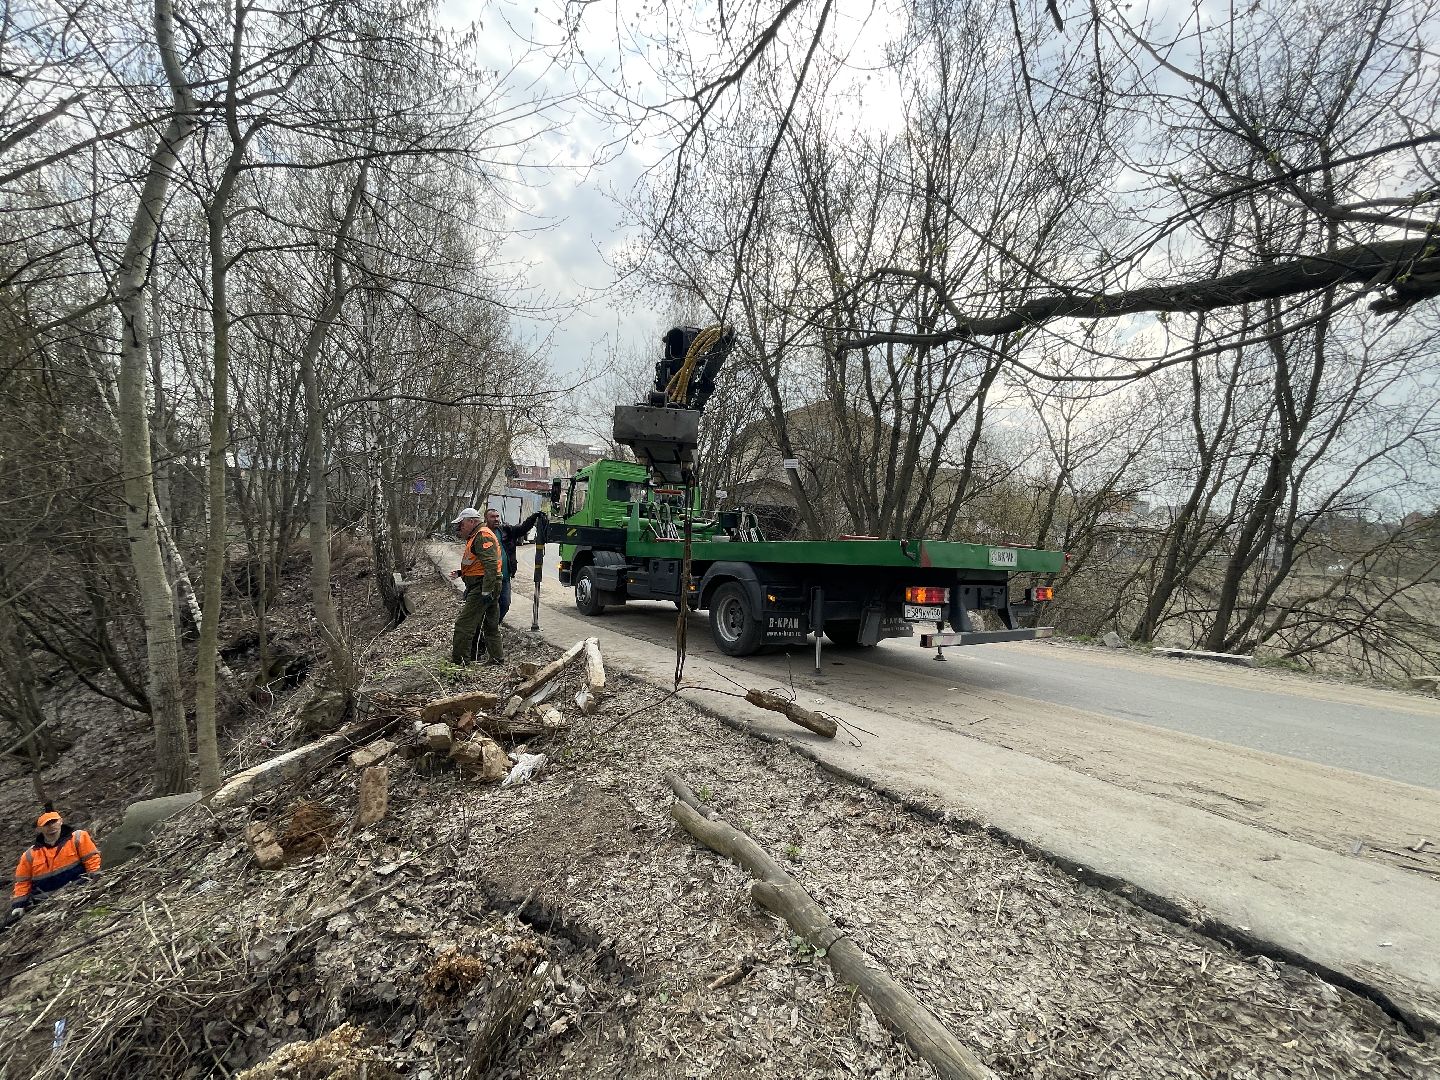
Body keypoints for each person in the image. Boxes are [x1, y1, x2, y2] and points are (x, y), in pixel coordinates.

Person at [8, 810, 101, 924]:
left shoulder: (78, 837)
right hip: (44, 905)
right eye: (46, 824)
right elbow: (23, 882)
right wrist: (19, 905)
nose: (51, 826)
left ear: (61, 821)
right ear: (39, 829)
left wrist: (96, 880)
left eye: (54, 821)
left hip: (78, 892)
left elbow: (92, 860)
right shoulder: (29, 855)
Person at [449, 507, 503, 665]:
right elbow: (478, 563)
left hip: (483, 585)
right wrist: (461, 572)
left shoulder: (482, 536)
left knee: (463, 625)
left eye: (462, 524)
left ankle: (459, 663)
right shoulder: (476, 536)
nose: (460, 528)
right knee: (491, 624)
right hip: (487, 584)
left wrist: (486, 591)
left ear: (471, 521)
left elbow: (491, 565)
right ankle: (497, 658)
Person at [484, 507, 542, 622]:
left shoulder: (506, 530)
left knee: (505, 604)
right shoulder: (482, 534)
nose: (496, 519)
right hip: (487, 578)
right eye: (492, 517)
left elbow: (522, 529)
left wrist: (533, 517)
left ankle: (493, 626)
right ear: (486, 518)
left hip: (504, 577)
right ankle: (487, 629)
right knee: (487, 605)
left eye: (497, 516)